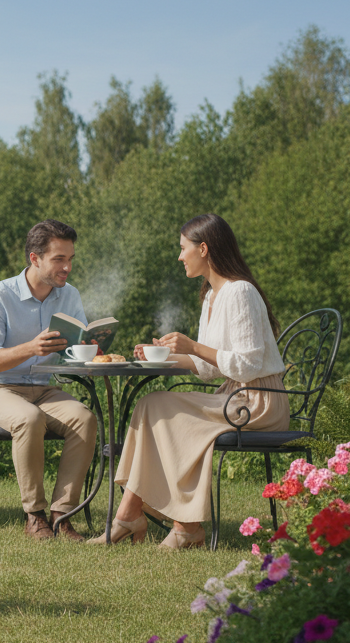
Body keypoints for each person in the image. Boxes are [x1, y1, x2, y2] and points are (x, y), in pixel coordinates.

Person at [88, 213, 290, 549]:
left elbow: (249, 364)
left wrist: (193, 346)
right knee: (151, 403)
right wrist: (165, 354)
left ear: (204, 249)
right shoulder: (211, 296)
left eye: (183, 248)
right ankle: (131, 515)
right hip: (233, 396)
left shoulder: (240, 292)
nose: (180, 256)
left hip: (258, 401)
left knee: (170, 414)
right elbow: (208, 367)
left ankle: (185, 526)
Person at [0, 220, 99, 540]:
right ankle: (34, 515)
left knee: (84, 418)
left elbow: (74, 349)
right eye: (59, 259)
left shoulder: (69, 295)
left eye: (70, 259)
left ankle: (62, 515)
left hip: (43, 388)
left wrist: (93, 347)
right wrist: (30, 348)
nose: (67, 267)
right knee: (29, 419)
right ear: (35, 258)